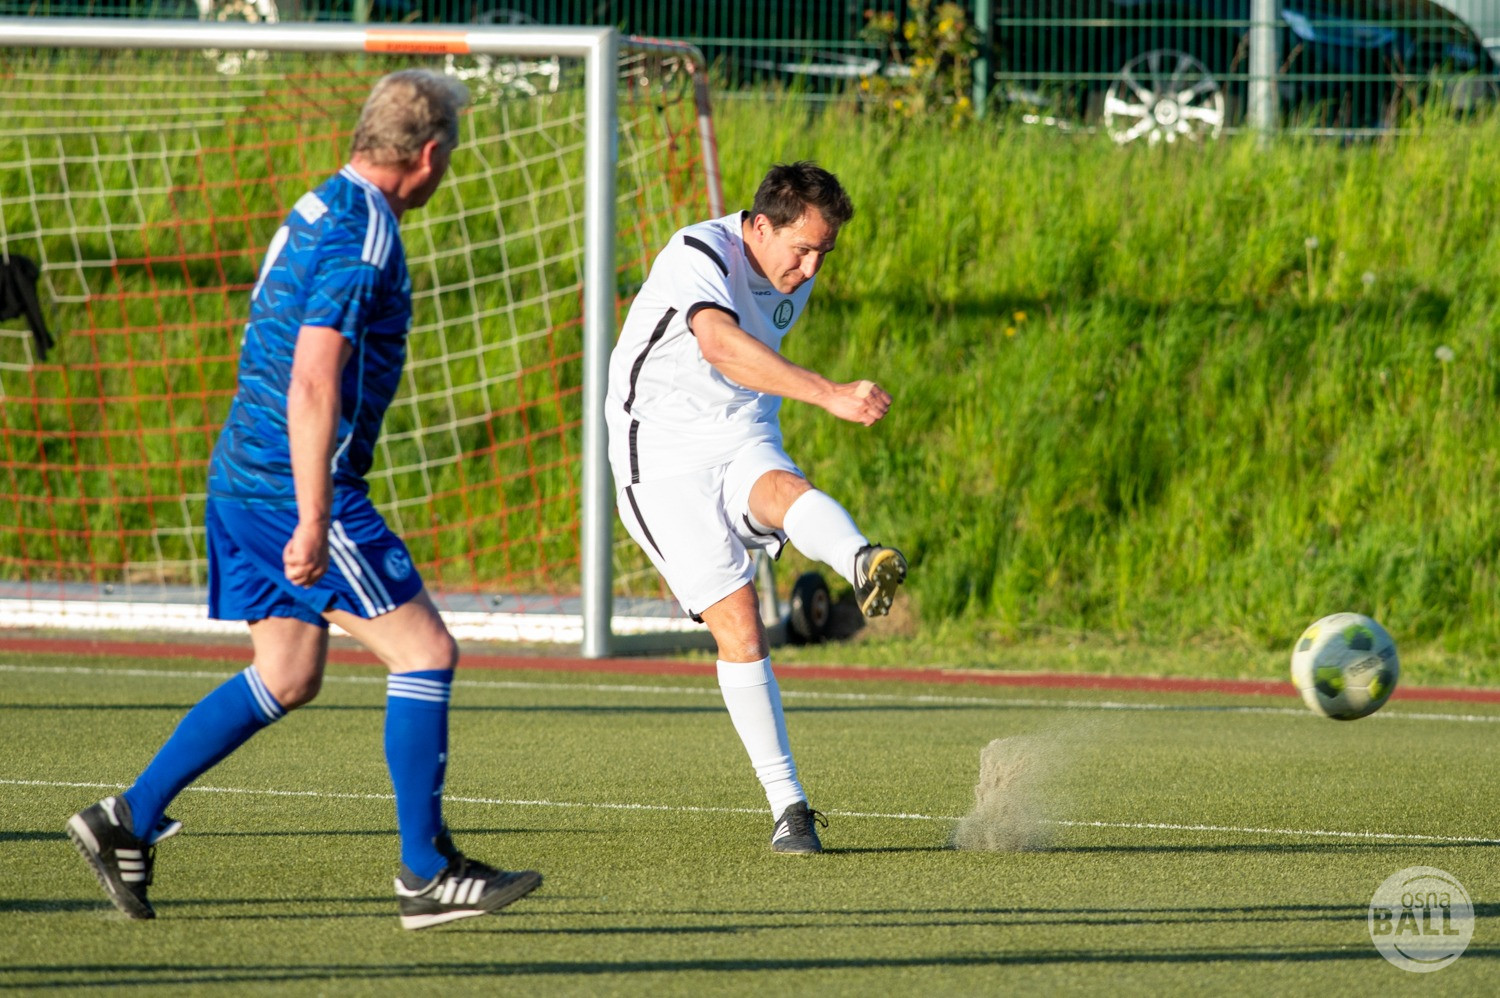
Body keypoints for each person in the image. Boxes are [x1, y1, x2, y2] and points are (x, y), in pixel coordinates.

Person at [65, 69, 541, 930]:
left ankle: (128, 817)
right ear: (429, 155)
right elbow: (315, 376)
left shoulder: (320, 203)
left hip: (241, 476)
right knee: (425, 652)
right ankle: (427, 872)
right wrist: (317, 517)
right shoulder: (367, 232)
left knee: (287, 673)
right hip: (292, 486)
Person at [605, 161, 907, 855]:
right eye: (802, 249)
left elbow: (746, 367)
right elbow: (717, 343)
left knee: (783, 493)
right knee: (740, 622)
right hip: (660, 453)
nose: (810, 268)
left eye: (824, 253)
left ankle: (860, 559)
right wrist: (829, 393)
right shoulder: (699, 251)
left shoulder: (793, 273)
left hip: (741, 427)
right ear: (760, 226)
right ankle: (789, 807)